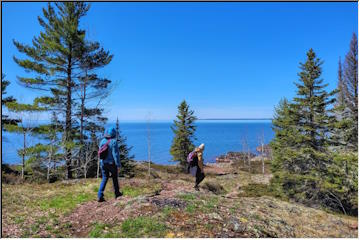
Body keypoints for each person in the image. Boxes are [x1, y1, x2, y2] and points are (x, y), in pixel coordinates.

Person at [97, 127, 122, 202]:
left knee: (105, 178)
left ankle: (100, 195)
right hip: (111, 164)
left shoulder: (102, 141)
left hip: (103, 163)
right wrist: (118, 165)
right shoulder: (114, 142)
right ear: (113, 134)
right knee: (114, 178)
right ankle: (117, 193)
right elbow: (116, 155)